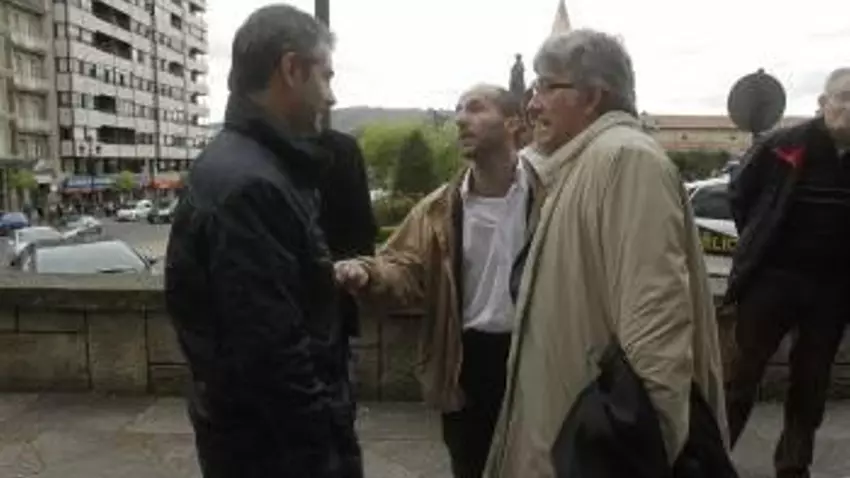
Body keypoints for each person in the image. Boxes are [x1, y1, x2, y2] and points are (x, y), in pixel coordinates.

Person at [485, 30, 733, 477]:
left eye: (546, 86)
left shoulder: (626, 160)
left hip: (595, 455)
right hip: (568, 443)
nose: (532, 104)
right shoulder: (581, 164)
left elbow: (656, 331)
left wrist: (638, 458)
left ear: (593, 96)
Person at [163, 5, 361, 478]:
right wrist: (325, 456)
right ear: (292, 69)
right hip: (276, 455)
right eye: (325, 77)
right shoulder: (251, 185)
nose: (331, 96)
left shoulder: (250, 167)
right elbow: (273, 356)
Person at [335, 84, 544, 478]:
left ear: (514, 123)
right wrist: (368, 273)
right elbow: (404, 266)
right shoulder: (437, 209)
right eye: (458, 110)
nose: (461, 119)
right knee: (470, 464)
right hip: (466, 360)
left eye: (476, 108)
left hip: (536, 356)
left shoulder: (549, 196)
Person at [724, 67, 850, 478]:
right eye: (845, 97)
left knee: (811, 383)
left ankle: (793, 466)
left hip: (832, 290)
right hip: (773, 280)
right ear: (823, 103)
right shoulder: (785, 143)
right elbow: (741, 193)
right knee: (741, 377)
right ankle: (711, 460)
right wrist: (759, 241)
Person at [316, 129, 378, 340]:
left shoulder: (260, 151)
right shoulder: (344, 147)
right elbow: (364, 223)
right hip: (339, 287)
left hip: (290, 297)